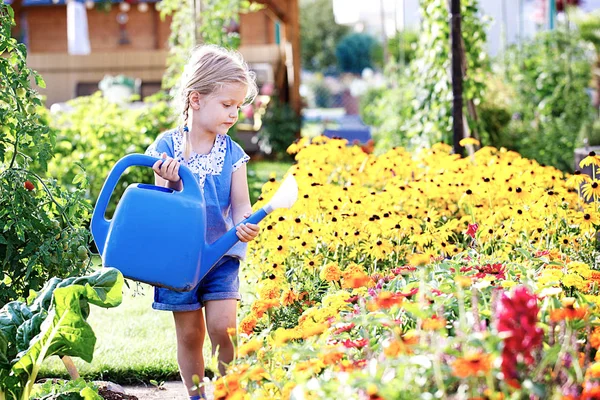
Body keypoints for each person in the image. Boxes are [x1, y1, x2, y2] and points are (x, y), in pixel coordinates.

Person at [144, 44, 260, 400]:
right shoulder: (167, 146)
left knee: (224, 328)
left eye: (238, 107)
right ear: (196, 100)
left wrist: (245, 224)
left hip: (221, 255)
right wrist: (167, 180)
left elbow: (241, 205)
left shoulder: (233, 154)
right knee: (190, 335)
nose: (234, 115)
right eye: (227, 105)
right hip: (179, 261)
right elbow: (160, 209)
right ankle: (197, 396)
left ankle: (227, 393)